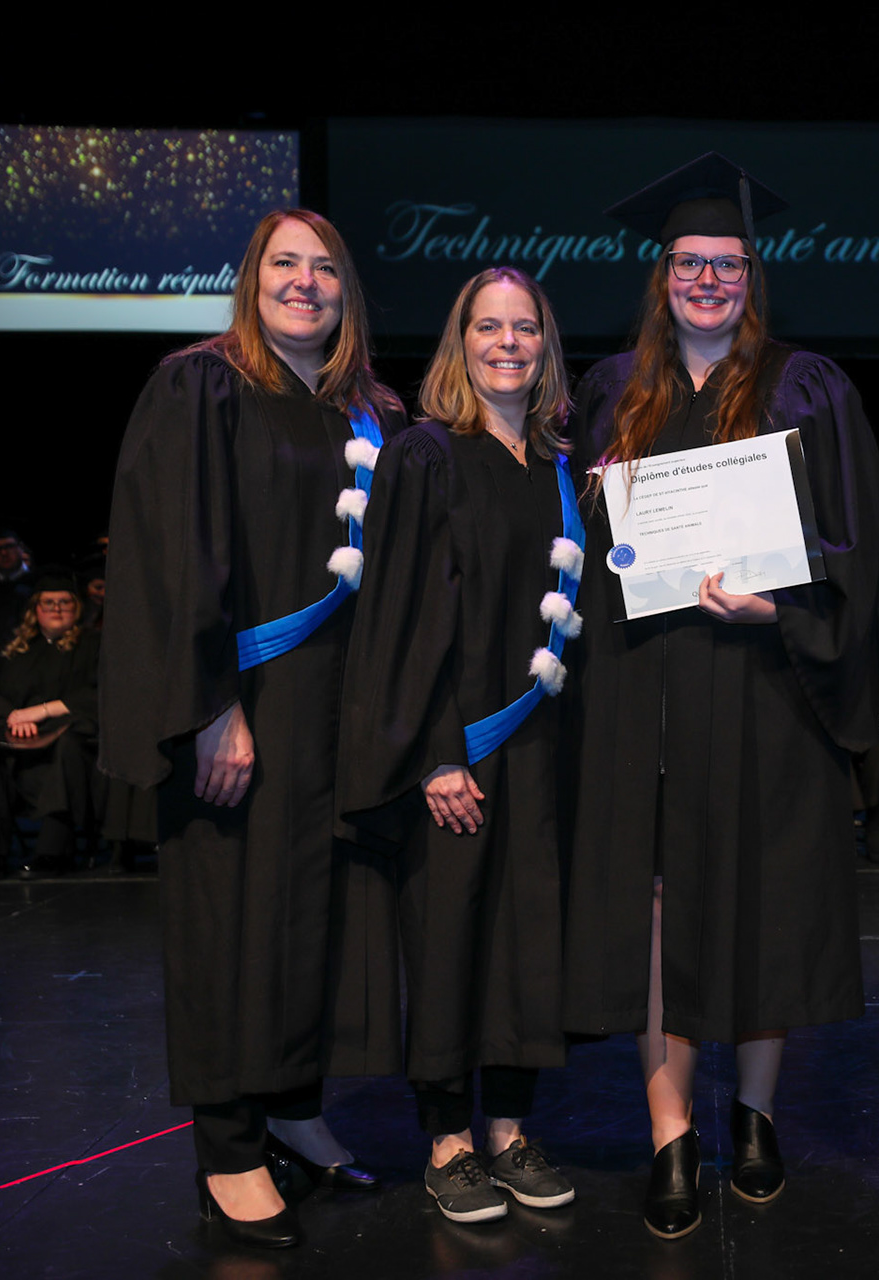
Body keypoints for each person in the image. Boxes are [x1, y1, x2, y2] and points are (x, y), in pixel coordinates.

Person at [560, 154, 879, 1240]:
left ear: (753, 276)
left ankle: (754, 1115)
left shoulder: (808, 385)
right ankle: (670, 1134)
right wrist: (603, 509)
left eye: (728, 264)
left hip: (764, 684)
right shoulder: (611, 390)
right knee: (657, 909)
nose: (708, 281)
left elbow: (853, 540)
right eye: (689, 263)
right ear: (662, 277)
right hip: (642, 690)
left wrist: (779, 606)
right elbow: (579, 552)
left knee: (763, 899)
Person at [100, 208, 405, 1249]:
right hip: (243, 705)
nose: (305, 283)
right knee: (232, 918)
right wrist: (211, 706)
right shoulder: (203, 386)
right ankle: (229, 1145)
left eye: (325, 268)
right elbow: (177, 556)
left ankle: (292, 1108)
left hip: (340, 714)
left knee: (317, 919)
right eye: (285, 264)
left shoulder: (371, 412)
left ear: (347, 291)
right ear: (251, 278)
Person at [337, 267, 581, 1225]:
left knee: (525, 939)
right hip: (458, 749)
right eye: (488, 327)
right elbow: (398, 614)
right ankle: (447, 1141)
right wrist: (437, 752)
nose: (507, 343)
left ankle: (510, 1131)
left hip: (542, 750)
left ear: (546, 345)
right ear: (460, 342)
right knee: (446, 941)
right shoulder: (427, 455)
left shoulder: (559, 468)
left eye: (525, 328)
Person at [0, 569, 100, 880]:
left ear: (77, 607)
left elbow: (101, 694)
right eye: (48, 602)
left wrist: (43, 711)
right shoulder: (11, 647)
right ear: (35, 608)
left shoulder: (93, 645)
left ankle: (52, 852)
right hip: (15, 737)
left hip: (64, 738)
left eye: (64, 602)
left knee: (70, 747)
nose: (56, 609)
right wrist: (13, 715)